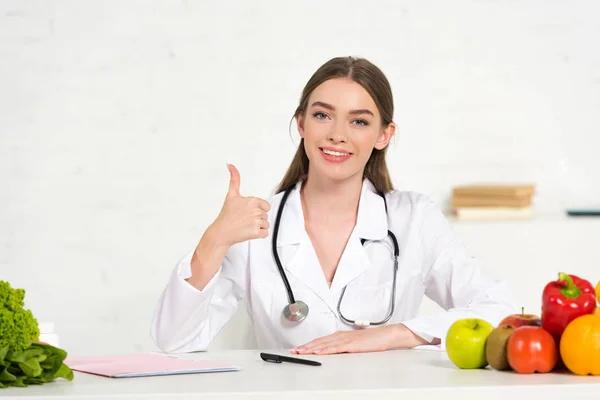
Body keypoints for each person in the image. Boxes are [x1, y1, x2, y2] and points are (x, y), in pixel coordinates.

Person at [150, 56, 518, 355]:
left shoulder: (413, 219)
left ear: (383, 135)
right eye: (322, 115)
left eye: (359, 121)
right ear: (301, 124)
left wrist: (392, 335)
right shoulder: (255, 226)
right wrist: (214, 240)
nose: (337, 134)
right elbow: (175, 340)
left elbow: (501, 309)